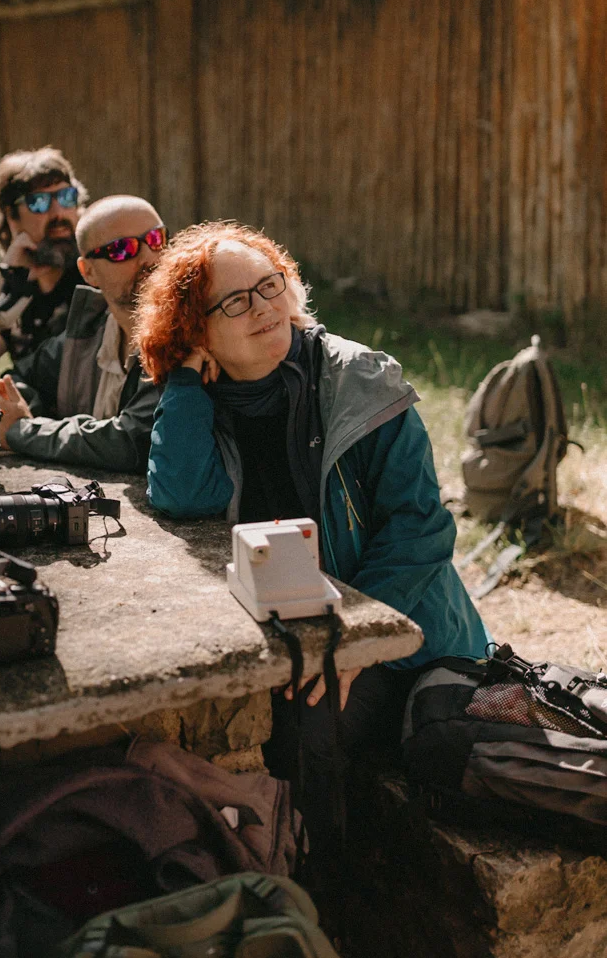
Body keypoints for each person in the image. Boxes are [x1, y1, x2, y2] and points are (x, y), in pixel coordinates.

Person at [134, 220, 489, 871]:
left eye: (270, 285)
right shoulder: (206, 399)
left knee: (303, 720)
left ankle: (315, 887)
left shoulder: (360, 381)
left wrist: (353, 637)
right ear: (196, 333)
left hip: (407, 637)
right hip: (298, 624)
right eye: (235, 301)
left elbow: (421, 528)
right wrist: (182, 382)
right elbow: (182, 495)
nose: (264, 307)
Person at [0, 195, 167, 471]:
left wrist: (23, 431)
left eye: (156, 239)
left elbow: (131, 440)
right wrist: (10, 405)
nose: (150, 257)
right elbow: (20, 381)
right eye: (122, 249)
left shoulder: (186, 333)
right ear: (88, 272)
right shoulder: (88, 332)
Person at [0, 147, 88, 364]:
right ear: (11, 217)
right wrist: (5, 276)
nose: (58, 213)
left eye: (66, 197)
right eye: (39, 202)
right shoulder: (19, 290)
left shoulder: (96, 273)